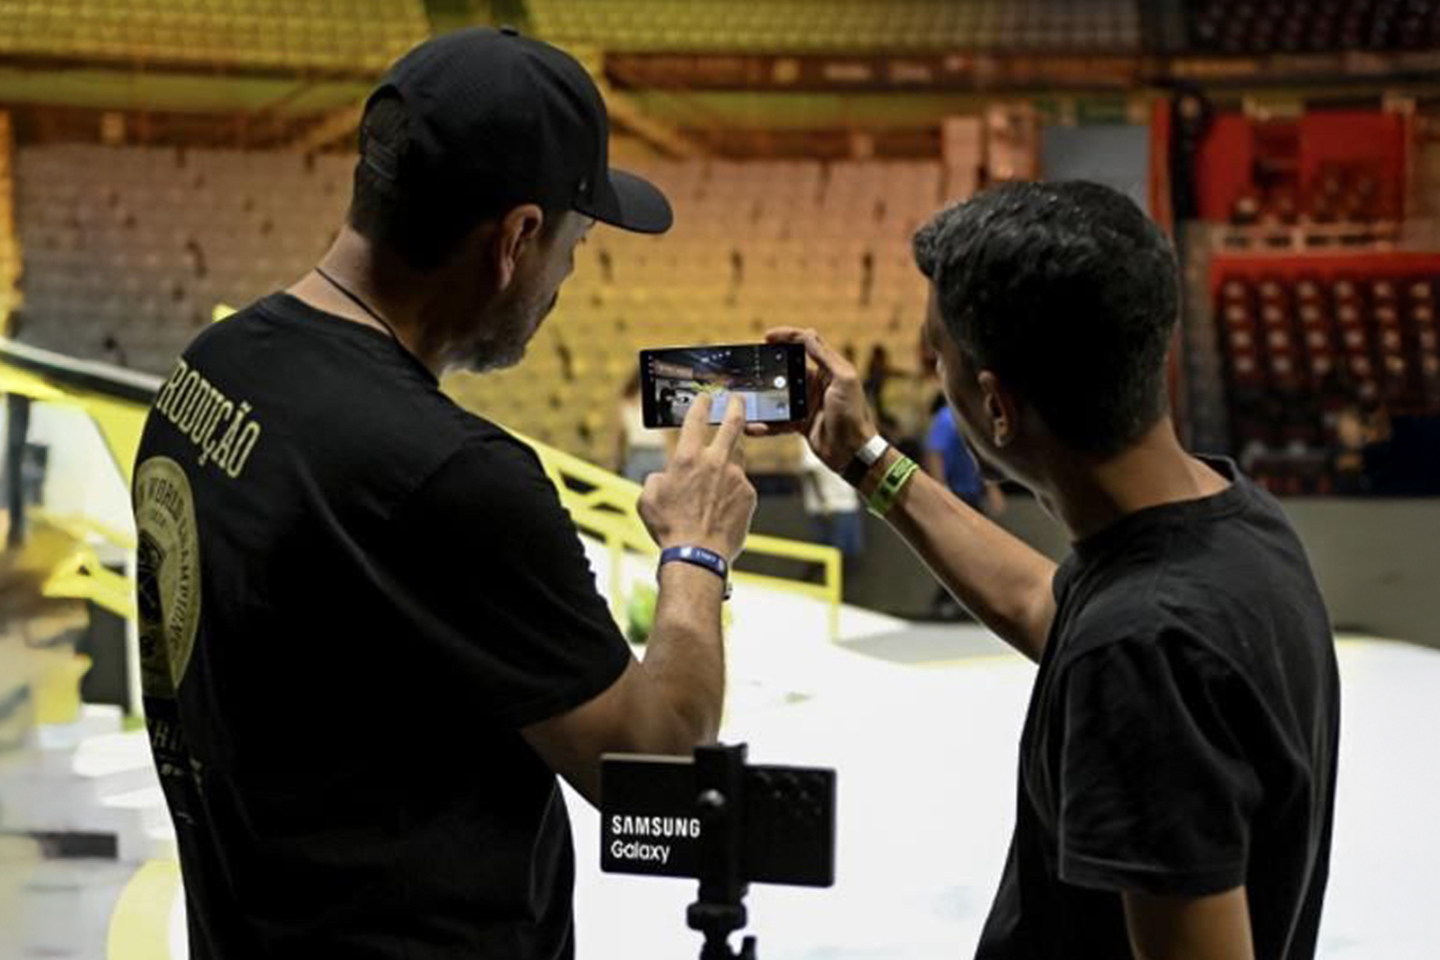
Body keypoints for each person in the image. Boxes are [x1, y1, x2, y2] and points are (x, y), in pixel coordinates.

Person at [131, 28, 756, 960]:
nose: (566, 282)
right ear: (516, 240)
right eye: (575, 248)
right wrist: (695, 551)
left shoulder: (210, 369)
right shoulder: (450, 474)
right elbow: (655, 764)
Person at [750, 181, 1339, 960]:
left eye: (940, 358)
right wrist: (866, 460)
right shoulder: (1235, 524)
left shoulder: (1142, 651)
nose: (936, 377)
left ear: (996, 407)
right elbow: (1046, 604)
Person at [616, 368, 666, 482]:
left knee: (634, 494)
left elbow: (620, 434)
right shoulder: (627, 403)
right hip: (647, 452)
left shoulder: (626, 402)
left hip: (645, 452)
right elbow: (620, 434)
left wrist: (618, 459)